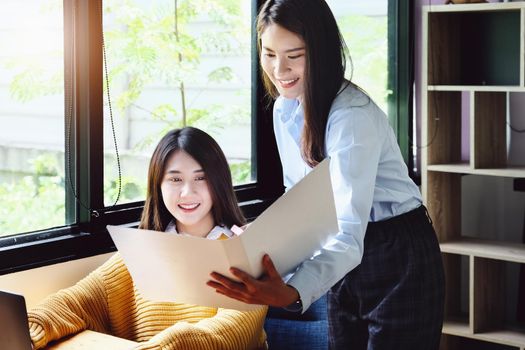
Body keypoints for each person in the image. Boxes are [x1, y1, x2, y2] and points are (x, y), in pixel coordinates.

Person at [206, 0, 445, 349]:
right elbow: (303, 202)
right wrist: (260, 242)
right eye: (269, 53)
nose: (279, 69)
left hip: (397, 252)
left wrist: (290, 292)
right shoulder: (285, 107)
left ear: (320, 51)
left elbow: (349, 230)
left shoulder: (352, 116)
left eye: (294, 54)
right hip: (342, 256)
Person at [27, 127, 268, 350]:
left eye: (200, 178)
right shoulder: (141, 251)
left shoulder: (242, 253)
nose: (187, 192)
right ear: (158, 185)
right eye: (175, 179)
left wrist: (163, 346)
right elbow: (77, 301)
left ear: (219, 183)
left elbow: (231, 332)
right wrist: (31, 328)